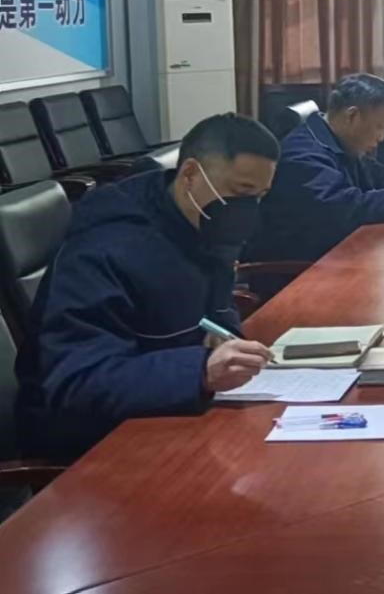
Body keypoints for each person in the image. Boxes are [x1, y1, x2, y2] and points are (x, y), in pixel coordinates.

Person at [15, 114, 280, 461]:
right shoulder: (105, 248)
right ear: (190, 174)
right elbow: (78, 383)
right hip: (93, 445)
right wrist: (200, 370)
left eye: (260, 196)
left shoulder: (203, 221)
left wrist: (226, 338)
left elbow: (215, 311)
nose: (247, 209)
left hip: (172, 413)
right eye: (240, 192)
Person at [246, 74, 384, 263]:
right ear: (352, 116)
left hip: (338, 252)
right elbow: (345, 209)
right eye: (379, 127)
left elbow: (376, 174)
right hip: (303, 270)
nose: (381, 137)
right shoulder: (302, 155)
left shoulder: (338, 141)